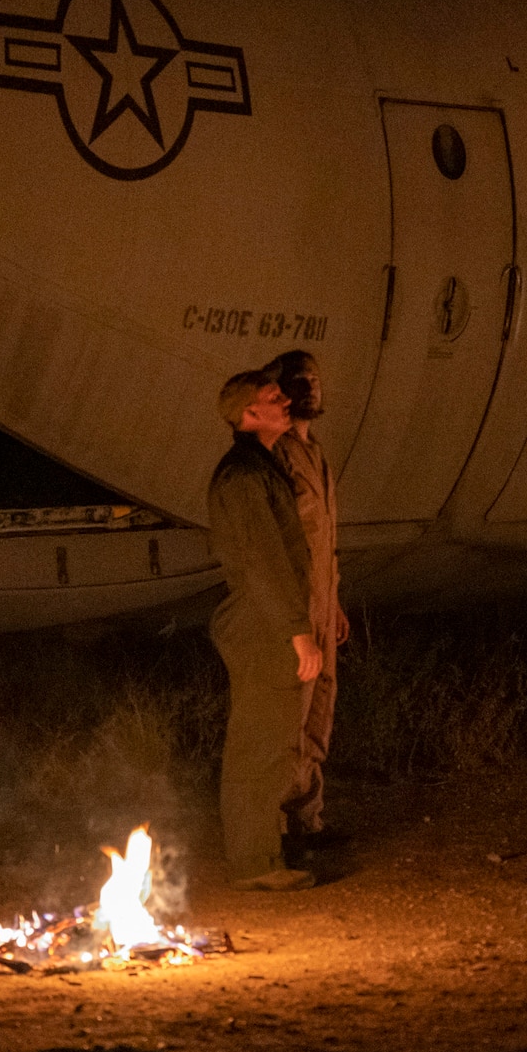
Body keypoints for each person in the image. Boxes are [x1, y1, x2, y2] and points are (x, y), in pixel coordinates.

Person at [208, 365, 322, 892]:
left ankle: (264, 855)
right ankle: (255, 863)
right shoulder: (246, 475)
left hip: (266, 623)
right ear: (250, 416)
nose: (285, 401)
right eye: (273, 397)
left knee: (273, 741)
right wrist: (298, 631)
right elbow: (264, 563)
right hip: (262, 627)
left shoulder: (261, 466)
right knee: (259, 745)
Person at [269, 349, 348, 850]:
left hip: (322, 604)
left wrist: (334, 601)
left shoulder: (315, 453)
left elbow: (325, 540)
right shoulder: (276, 456)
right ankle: (275, 829)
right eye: (301, 381)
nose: (312, 389)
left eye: (316, 379)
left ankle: (308, 821)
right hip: (297, 606)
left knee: (319, 713)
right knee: (288, 716)